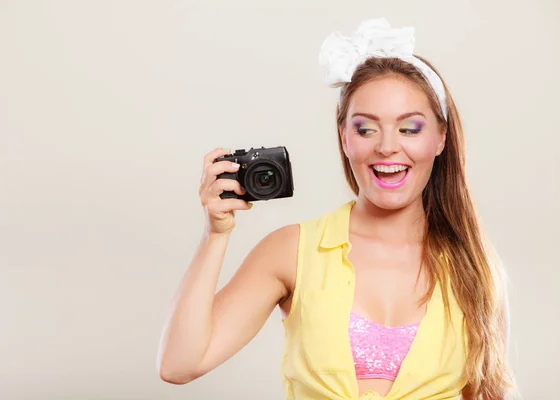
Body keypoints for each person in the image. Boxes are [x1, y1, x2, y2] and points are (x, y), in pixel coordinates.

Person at [157, 18, 516, 400]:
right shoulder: (291, 251)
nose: (387, 147)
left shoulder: (475, 267)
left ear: (441, 138)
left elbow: (489, 392)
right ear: (344, 137)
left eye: (409, 129)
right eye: (366, 129)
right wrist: (215, 235)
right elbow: (179, 364)